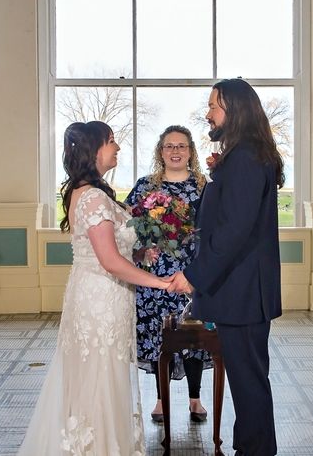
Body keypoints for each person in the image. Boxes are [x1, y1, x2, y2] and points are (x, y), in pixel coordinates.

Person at [18, 120, 171, 456]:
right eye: (111, 141)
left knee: (101, 373)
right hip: (100, 297)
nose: (117, 147)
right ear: (94, 149)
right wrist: (160, 282)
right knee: (100, 375)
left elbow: (109, 249)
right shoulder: (93, 198)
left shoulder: (86, 193)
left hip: (99, 294)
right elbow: (110, 262)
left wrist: (141, 253)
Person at [167, 79, 284, 456]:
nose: (208, 113)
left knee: (248, 382)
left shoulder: (247, 157)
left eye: (214, 105)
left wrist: (194, 276)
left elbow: (234, 231)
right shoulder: (244, 154)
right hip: (243, 289)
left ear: (234, 110)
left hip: (243, 291)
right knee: (249, 380)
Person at [124, 125, 212, 425]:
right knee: (159, 336)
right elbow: (128, 226)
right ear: (160, 152)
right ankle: (161, 401)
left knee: (193, 335)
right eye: (169, 146)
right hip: (154, 276)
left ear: (191, 152)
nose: (175, 151)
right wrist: (142, 250)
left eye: (182, 146)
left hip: (192, 272)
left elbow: (214, 230)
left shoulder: (204, 186)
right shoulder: (145, 186)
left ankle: (195, 399)